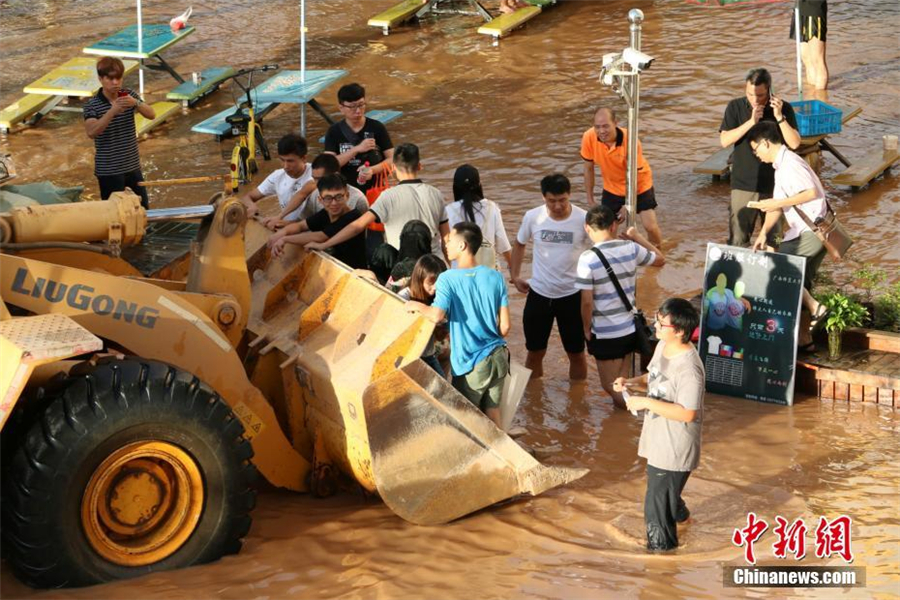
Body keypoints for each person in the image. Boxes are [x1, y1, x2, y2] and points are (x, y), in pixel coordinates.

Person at [614, 298, 704, 552]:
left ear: (679, 331)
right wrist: (631, 383)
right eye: (656, 319)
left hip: (674, 447)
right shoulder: (663, 346)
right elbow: (652, 377)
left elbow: (688, 413)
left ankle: (661, 563)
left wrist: (646, 403)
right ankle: (684, 520)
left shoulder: (689, 370)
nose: (655, 326)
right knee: (664, 494)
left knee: (655, 510)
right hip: (658, 439)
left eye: (661, 324)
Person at [407, 222, 510, 427]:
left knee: (466, 419)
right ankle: (501, 452)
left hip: (471, 362)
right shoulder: (496, 276)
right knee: (492, 413)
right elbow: (505, 327)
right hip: (499, 356)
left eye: (450, 240)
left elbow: (436, 315)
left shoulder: (448, 278)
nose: (446, 243)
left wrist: (415, 306)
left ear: (462, 245)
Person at [747, 121, 829, 342]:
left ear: (765, 143)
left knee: (779, 271)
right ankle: (805, 341)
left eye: (755, 149)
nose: (756, 155)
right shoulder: (781, 165)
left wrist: (780, 201)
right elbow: (779, 205)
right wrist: (763, 233)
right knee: (801, 286)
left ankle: (815, 308)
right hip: (811, 231)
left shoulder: (790, 165)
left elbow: (810, 192)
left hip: (809, 232)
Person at [576, 205, 664, 409]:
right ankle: (625, 424)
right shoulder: (631, 249)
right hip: (629, 328)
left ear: (587, 228)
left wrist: (586, 328)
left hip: (606, 333)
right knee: (622, 383)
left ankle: (640, 411)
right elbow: (660, 259)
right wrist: (638, 236)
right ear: (614, 225)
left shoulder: (587, 259)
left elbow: (587, 301)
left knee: (610, 386)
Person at [306, 143, 449, 260]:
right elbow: (446, 239)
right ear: (419, 166)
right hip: (436, 262)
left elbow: (357, 226)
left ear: (392, 168)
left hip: (403, 266)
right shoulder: (436, 194)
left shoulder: (388, 196)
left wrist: (325, 244)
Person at [510, 174, 589, 380]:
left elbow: (600, 247)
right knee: (535, 353)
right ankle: (533, 403)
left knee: (577, 354)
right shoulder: (533, 217)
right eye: (551, 201)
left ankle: (577, 404)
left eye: (562, 200)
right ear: (543, 197)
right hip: (540, 294)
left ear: (569, 195)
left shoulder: (583, 218)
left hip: (572, 295)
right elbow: (519, 243)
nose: (557, 206)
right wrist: (515, 275)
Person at [720, 68, 801, 249]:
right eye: (750, 94)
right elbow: (724, 140)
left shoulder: (783, 108)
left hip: (776, 185)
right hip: (743, 183)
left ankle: (771, 272)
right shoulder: (735, 107)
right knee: (738, 241)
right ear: (745, 89)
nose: (755, 99)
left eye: (761, 95)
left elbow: (795, 144)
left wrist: (780, 118)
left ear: (769, 90)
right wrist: (750, 122)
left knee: (774, 240)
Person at [582, 107, 663, 247]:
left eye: (606, 126)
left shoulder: (630, 140)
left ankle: (658, 252)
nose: (601, 131)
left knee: (649, 226)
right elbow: (588, 169)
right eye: (597, 127)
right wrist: (590, 199)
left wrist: (628, 205)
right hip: (611, 187)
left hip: (639, 184)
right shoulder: (589, 137)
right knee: (606, 230)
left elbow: (635, 174)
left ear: (615, 123)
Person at [83, 57, 156, 209]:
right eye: (110, 78)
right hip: (109, 170)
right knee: (115, 214)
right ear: (100, 79)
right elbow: (91, 132)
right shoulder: (92, 105)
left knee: (143, 209)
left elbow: (151, 114)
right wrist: (112, 111)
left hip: (132, 166)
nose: (115, 83)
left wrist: (137, 103)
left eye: (118, 78)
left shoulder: (128, 95)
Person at [268, 174, 366, 269]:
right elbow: (300, 226)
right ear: (320, 200)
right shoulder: (325, 213)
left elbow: (321, 236)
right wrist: (282, 232)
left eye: (339, 197)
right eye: (328, 198)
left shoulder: (353, 216)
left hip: (352, 270)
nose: (334, 203)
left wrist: (285, 239)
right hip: (331, 265)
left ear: (347, 196)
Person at [323, 83, 394, 192]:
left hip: (375, 189)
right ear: (341, 108)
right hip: (345, 191)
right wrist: (356, 149)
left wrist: (372, 170)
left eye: (361, 105)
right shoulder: (334, 131)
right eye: (352, 107)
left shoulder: (377, 127)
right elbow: (327, 165)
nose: (358, 111)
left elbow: (393, 160)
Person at [445, 164, 513, 271]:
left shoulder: (449, 211)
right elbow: (503, 244)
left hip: (459, 274)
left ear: (455, 187)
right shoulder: (492, 208)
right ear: (479, 185)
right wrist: (512, 269)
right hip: (489, 273)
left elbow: (444, 246)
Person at [238, 134, 313, 228]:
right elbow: (247, 197)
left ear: (304, 158)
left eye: (290, 161)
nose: (285, 166)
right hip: (286, 226)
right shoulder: (277, 176)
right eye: (282, 160)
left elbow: (303, 195)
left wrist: (282, 219)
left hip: (311, 227)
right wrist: (252, 206)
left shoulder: (317, 172)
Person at [396, 254, 449, 377]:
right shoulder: (404, 297)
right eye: (431, 282)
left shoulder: (437, 298)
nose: (435, 287)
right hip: (408, 357)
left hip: (428, 354)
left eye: (439, 283)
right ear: (419, 279)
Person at [790, 0, 828, 90]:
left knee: (817, 60)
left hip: (813, 9)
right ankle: (811, 94)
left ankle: (820, 98)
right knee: (806, 58)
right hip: (800, 8)